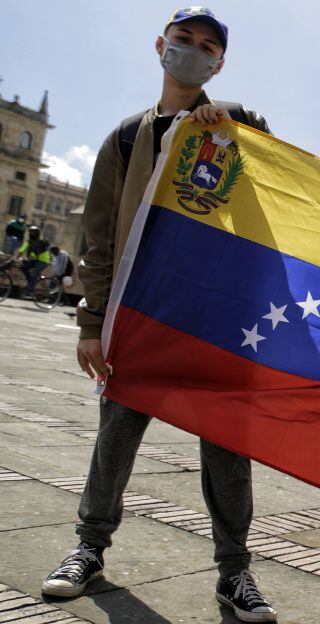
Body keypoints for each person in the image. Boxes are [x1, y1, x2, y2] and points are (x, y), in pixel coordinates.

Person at [41, 8, 276, 623]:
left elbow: (278, 182)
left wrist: (238, 124)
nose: (193, 52)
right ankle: (89, 549)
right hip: (143, 312)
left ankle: (235, 572)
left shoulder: (237, 124)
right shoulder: (126, 138)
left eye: (207, 47)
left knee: (227, 448)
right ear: (161, 46)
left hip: (217, 317)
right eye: (183, 41)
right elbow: (99, 238)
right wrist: (92, 324)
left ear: (219, 64)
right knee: (114, 441)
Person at [14, 226, 51, 296]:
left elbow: (36, 252)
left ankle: (30, 291)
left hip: (43, 261)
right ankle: (30, 281)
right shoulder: (29, 241)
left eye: (33, 232)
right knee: (23, 267)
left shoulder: (40, 241)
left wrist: (28, 258)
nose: (31, 234)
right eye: (30, 232)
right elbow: (22, 249)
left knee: (35, 273)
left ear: (37, 233)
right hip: (35, 260)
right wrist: (16, 257)